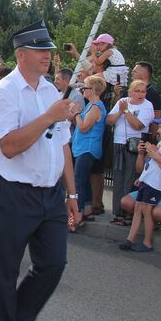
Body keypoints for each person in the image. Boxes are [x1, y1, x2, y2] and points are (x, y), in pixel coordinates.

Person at [0, 20, 78, 321]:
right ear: (21, 54)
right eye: (40, 50)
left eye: (48, 50)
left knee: (53, 263)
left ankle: (21, 320)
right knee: (6, 267)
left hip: (50, 193)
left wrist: (72, 195)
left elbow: (63, 145)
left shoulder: (52, 92)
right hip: (16, 191)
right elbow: (9, 146)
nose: (47, 56)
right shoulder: (5, 92)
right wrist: (49, 117)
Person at [119, 114, 161, 252]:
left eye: (160, 127)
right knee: (138, 208)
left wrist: (155, 154)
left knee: (147, 211)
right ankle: (130, 239)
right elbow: (151, 164)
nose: (158, 130)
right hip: (148, 180)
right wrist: (142, 177)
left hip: (156, 183)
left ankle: (147, 242)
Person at [105, 79, 154, 224]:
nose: (140, 94)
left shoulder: (147, 105)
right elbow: (109, 120)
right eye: (137, 91)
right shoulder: (123, 102)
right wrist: (120, 111)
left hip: (134, 145)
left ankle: (129, 213)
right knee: (118, 178)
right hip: (119, 143)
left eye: (143, 92)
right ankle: (118, 212)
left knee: (130, 177)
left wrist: (126, 111)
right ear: (131, 92)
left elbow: (138, 125)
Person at [70, 75, 107, 227]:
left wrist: (76, 113)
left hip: (87, 148)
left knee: (78, 181)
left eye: (84, 87)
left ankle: (77, 215)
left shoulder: (96, 107)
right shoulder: (90, 105)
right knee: (84, 181)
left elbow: (84, 127)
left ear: (93, 89)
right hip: (83, 148)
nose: (82, 90)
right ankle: (87, 210)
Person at [131, 61, 161, 126]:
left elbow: (156, 118)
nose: (132, 73)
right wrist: (117, 95)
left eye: (135, 71)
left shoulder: (153, 94)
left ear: (145, 74)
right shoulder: (129, 91)